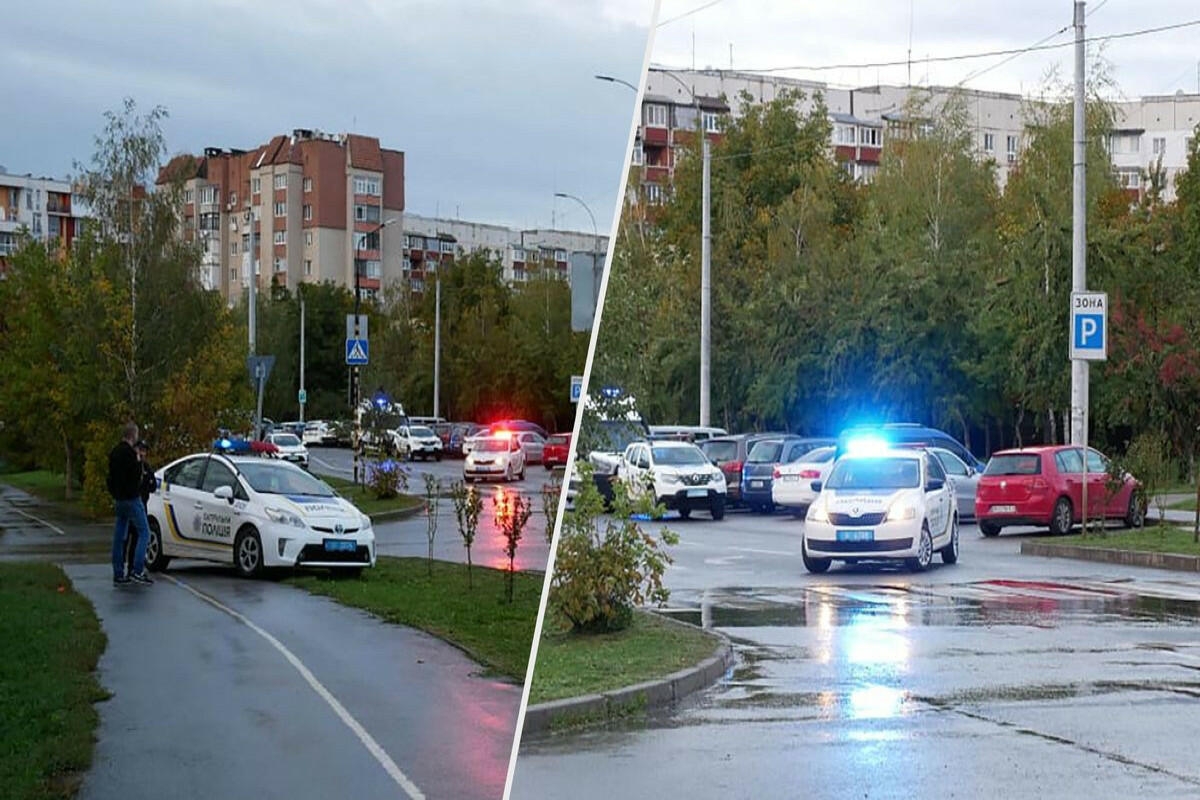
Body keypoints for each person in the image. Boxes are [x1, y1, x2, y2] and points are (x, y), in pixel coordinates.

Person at [108, 422, 153, 586]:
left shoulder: (114, 453)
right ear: (133, 435)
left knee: (119, 536)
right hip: (132, 498)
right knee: (144, 532)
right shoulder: (130, 454)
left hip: (119, 499)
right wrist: (139, 462)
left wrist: (114, 493)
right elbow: (136, 476)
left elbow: (110, 478)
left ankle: (118, 572)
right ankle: (137, 569)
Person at [122, 440, 156, 577]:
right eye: (140, 450)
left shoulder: (146, 468)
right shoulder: (130, 466)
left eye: (144, 451)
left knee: (138, 538)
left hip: (142, 506)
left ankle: (134, 568)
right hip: (130, 506)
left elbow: (153, 486)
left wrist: (147, 482)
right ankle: (122, 566)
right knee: (125, 538)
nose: (142, 454)